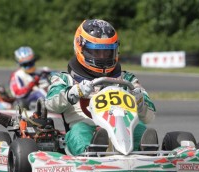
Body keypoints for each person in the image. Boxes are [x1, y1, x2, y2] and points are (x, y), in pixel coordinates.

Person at [45, 19, 156, 156]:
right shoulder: (65, 79)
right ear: (81, 49)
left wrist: (140, 101)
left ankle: (148, 153)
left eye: (107, 53)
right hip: (87, 127)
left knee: (140, 129)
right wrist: (74, 92)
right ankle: (91, 152)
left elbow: (149, 117)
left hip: (123, 128)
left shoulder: (127, 80)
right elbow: (50, 104)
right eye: (97, 53)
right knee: (79, 132)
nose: (103, 58)